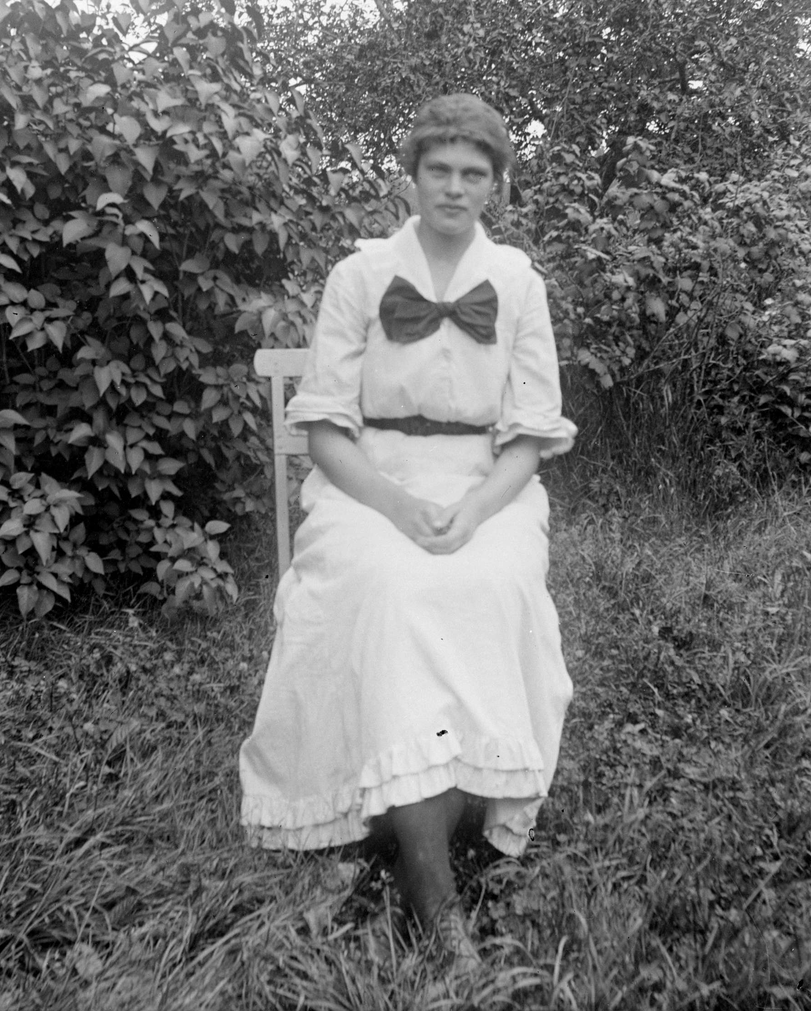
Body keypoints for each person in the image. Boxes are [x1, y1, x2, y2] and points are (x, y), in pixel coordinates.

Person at [239, 93, 576, 976]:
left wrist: (474, 510)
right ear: (410, 179)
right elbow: (324, 431)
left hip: (487, 485)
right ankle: (436, 902)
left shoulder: (517, 283)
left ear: (496, 186)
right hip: (366, 483)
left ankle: (424, 815)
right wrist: (394, 506)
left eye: (473, 174)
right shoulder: (359, 276)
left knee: (489, 582)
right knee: (391, 589)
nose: (454, 188)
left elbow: (531, 435)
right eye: (439, 171)